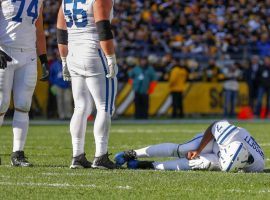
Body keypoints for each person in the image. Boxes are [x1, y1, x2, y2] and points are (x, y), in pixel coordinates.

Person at [57, 0, 118, 169]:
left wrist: (63, 59)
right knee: (105, 107)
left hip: (73, 53)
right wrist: (111, 57)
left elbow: (61, 30)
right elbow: (102, 26)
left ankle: (77, 156)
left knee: (81, 107)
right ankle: (101, 156)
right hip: (93, 51)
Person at [0, 0, 49, 167]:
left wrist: (43, 59)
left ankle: (18, 153)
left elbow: (39, 30)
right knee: (1, 104)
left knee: (23, 104)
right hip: (4, 52)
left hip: (28, 55)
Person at [115, 120, 265, 172]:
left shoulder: (257, 165)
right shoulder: (230, 135)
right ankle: (133, 153)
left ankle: (150, 165)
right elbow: (214, 126)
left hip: (222, 157)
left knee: (198, 163)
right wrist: (198, 149)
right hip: (214, 142)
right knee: (183, 150)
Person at [49, 53, 72, 120]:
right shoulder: (54, 65)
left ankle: (68, 115)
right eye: (58, 56)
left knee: (68, 100)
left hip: (67, 85)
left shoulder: (68, 64)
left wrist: (70, 82)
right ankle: (61, 115)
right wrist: (54, 83)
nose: (60, 57)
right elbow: (51, 76)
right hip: (58, 85)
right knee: (59, 101)